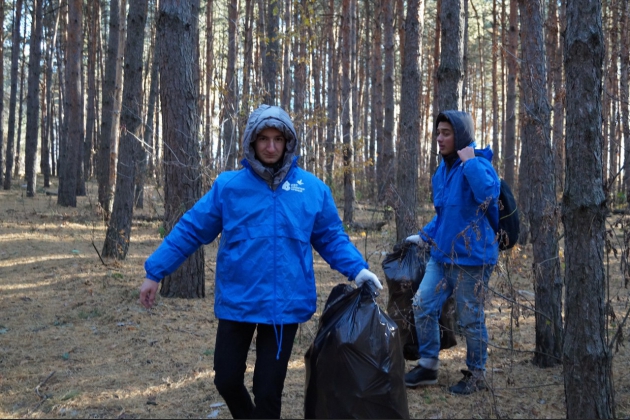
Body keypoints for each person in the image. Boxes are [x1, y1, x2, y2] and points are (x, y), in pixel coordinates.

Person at [139, 104, 382, 419]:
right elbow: (191, 229)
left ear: (288, 142)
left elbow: (332, 237)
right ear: (251, 142)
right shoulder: (229, 187)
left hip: (285, 306)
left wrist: (358, 269)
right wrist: (155, 271)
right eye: (264, 139)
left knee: (268, 392)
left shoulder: (311, 189)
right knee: (226, 379)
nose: (270, 147)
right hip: (238, 301)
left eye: (278, 139)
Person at [404, 110, 500, 395]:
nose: (440, 138)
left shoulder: (478, 164)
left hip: (472, 260)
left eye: (446, 133)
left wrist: (469, 162)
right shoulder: (441, 172)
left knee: (470, 318)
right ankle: (428, 365)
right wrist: (424, 236)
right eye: (438, 133)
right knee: (422, 304)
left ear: (461, 136)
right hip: (442, 256)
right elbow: (444, 215)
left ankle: (477, 374)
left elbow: (489, 195)